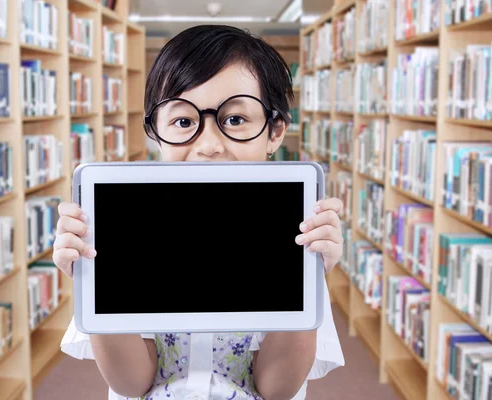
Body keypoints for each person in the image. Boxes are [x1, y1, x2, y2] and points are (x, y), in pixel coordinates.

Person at [55, 25, 345, 400]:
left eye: (235, 120)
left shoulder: (299, 232)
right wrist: (93, 279)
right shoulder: (122, 228)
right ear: (155, 132)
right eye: (183, 122)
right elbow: (130, 383)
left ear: (275, 132)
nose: (208, 145)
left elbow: (277, 388)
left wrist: (309, 272)